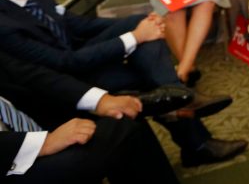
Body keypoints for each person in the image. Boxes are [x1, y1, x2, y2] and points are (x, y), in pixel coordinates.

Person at [0, 0, 247, 167]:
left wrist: (142, 27)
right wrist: (135, 36)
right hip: (59, 87)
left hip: (79, 63)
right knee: (156, 79)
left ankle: (181, 107)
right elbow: (65, 63)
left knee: (143, 37)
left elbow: (80, 26)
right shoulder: (4, 23)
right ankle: (192, 130)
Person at [0, 50, 179, 183]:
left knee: (120, 115)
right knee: (106, 138)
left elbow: (26, 73)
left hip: (22, 126)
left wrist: (100, 101)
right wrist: (42, 143)